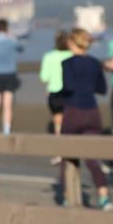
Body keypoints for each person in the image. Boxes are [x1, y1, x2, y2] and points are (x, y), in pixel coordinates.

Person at [60, 28, 113, 211]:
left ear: (72, 43)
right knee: (92, 157)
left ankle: (68, 196)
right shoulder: (95, 63)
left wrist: (57, 95)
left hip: (73, 111)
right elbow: (102, 89)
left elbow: (67, 87)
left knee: (67, 154)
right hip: (92, 111)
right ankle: (104, 196)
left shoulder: (67, 63)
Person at [39, 30, 74, 165]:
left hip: (54, 93)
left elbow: (43, 77)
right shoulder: (72, 56)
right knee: (70, 122)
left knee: (58, 124)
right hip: (69, 93)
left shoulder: (49, 56)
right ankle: (69, 150)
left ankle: (60, 152)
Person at [0, 19, 23, 135]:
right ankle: (6, 130)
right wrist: (11, 36)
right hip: (9, 74)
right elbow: (21, 48)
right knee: (7, 105)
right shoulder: (12, 41)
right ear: (7, 28)